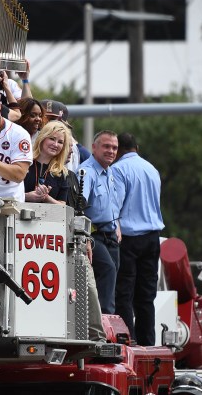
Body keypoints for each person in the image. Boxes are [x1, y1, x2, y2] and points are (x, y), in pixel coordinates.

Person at [111, 132, 165, 346]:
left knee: (124, 293)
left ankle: (128, 341)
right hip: (152, 237)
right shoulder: (152, 169)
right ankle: (147, 342)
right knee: (146, 295)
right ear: (137, 148)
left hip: (130, 238)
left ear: (119, 150)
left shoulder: (118, 169)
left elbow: (116, 205)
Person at [77, 130, 120, 314]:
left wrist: (117, 225)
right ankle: (104, 321)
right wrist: (84, 237)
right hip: (93, 235)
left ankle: (107, 318)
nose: (111, 151)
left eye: (115, 148)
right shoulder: (86, 172)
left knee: (112, 278)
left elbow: (110, 205)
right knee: (107, 270)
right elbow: (79, 207)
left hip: (110, 235)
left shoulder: (108, 171)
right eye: (106, 146)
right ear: (94, 148)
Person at [24, 121, 71, 205]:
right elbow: (9, 195)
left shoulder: (62, 173)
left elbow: (63, 206)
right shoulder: (24, 163)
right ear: (42, 138)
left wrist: (46, 197)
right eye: (52, 139)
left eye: (60, 142)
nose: (55, 144)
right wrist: (27, 196)